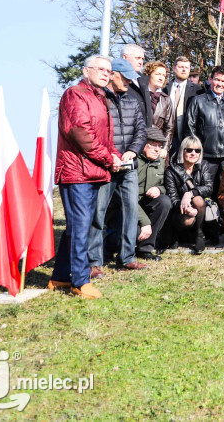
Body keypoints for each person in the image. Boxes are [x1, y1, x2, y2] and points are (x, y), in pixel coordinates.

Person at [49, 55, 121, 300]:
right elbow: (81, 134)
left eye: (109, 71)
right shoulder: (75, 95)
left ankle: (60, 276)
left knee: (76, 227)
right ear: (86, 70)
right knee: (80, 227)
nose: (105, 73)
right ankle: (80, 281)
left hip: (91, 171)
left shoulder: (100, 98)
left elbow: (103, 137)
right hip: (76, 172)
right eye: (100, 69)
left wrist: (114, 154)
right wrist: (108, 158)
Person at [88, 58, 148, 277]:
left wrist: (133, 150)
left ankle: (127, 257)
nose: (129, 83)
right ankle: (94, 261)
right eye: (125, 78)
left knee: (131, 209)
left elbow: (141, 130)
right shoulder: (99, 100)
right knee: (98, 212)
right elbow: (96, 132)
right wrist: (110, 156)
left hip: (128, 166)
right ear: (113, 75)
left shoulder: (132, 101)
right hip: (106, 165)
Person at [183, 66, 224, 199]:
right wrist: (194, 152)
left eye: (223, 81)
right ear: (210, 79)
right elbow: (190, 128)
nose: (220, 84)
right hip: (206, 156)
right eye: (217, 80)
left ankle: (223, 218)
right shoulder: (197, 101)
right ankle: (205, 219)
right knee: (204, 191)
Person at [164, 135, 213, 254]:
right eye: (189, 150)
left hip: (199, 209)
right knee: (188, 220)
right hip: (179, 211)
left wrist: (189, 193)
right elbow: (172, 198)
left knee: (198, 199)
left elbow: (209, 187)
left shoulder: (204, 166)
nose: (193, 153)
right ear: (182, 150)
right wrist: (185, 208)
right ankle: (177, 235)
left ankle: (199, 234)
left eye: (197, 150)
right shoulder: (171, 171)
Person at [135, 127, 173, 260]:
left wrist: (159, 189)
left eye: (160, 146)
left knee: (165, 201)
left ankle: (145, 248)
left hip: (147, 204)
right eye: (153, 145)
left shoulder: (160, 162)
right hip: (130, 207)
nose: (158, 149)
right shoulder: (134, 162)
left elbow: (165, 185)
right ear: (143, 145)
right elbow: (126, 197)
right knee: (138, 232)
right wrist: (145, 223)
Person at [167, 56, 202, 157]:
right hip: (167, 138)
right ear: (174, 68)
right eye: (181, 67)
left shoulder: (198, 91)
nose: (184, 70)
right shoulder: (165, 88)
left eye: (186, 68)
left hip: (187, 138)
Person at [143, 61, 175, 154]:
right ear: (149, 74)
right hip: (141, 145)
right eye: (158, 74)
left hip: (158, 147)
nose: (161, 78)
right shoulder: (140, 94)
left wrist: (165, 148)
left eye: (164, 75)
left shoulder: (166, 99)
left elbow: (169, 128)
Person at [121, 43, 153, 127]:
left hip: (145, 132)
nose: (141, 62)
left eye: (142, 59)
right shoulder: (118, 79)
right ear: (124, 57)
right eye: (137, 58)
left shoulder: (144, 80)